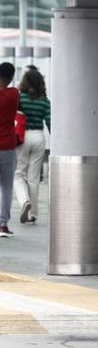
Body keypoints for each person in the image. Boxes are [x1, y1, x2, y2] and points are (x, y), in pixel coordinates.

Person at [14, 70, 50, 224]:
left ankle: (24, 202)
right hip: (39, 137)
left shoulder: (20, 98)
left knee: (18, 173)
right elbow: (49, 122)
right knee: (33, 177)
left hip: (22, 136)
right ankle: (33, 214)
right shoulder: (45, 101)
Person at [0, 62, 18, 238]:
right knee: (6, 186)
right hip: (7, 145)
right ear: (12, 77)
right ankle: (2, 224)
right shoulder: (13, 94)